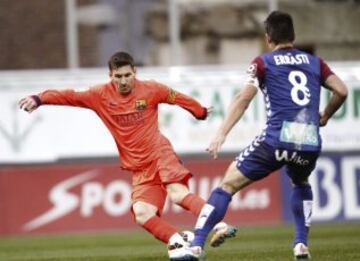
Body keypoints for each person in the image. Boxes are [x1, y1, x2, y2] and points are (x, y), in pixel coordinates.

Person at [18, 51, 236, 259]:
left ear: (135, 72)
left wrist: (200, 111)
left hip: (160, 153)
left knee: (178, 194)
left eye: (127, 75)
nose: (123, 81)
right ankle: (178, 240)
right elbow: (69, 96)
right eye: (118, 76)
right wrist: (39, 98)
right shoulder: (99, 95)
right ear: (110, 76)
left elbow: (176, 97)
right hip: (139, 167)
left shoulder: (151, 89)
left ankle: (218, 225)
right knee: (142, 213)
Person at [175, 11, 348, 260]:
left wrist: (221, 134)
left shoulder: (262, 62)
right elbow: (341, 91)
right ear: (294, 36)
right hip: (308, 141)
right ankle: (300, 244)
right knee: (300, 182)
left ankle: (197, 245)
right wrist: (326, 116)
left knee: (227, 185)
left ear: (268, 38)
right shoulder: (315, 62)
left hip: (276, 139)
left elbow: (243, 98)